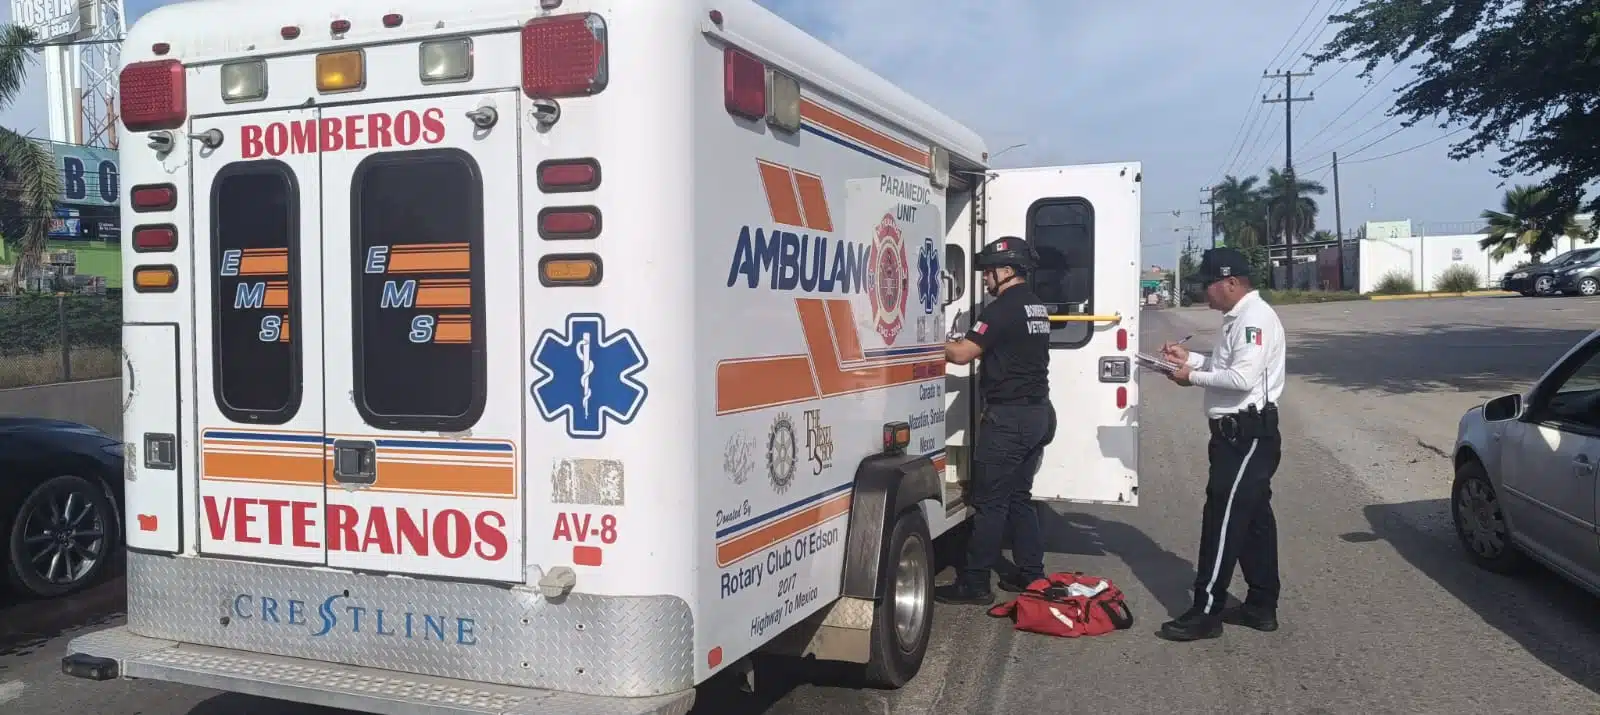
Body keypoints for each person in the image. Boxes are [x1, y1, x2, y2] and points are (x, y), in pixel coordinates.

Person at [1157, 247, 1286, 641]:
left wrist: (1188, 378)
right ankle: (1262, 605)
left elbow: (1242, 379)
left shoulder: (1254, 318)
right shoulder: (1238, 318)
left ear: (1231, 282)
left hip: (1247, 436)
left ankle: (1206, 610)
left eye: (1207, 284)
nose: (1204, 292)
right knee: (1253, 523)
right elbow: (1227, 365)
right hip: (1235, 433)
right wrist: (1192, 359)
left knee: (1223, 521)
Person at [935, 236, 1056, 605]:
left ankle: (974, 583)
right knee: (1020, 497)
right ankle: (1031, 574)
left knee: (990, 504)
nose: (986, 280)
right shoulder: (1036, 306)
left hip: (1010, 420)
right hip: (1039, 414)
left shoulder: (1002, 309)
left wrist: (925, 341)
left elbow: (962, 354)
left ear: (1007, 271)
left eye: (989, 272)